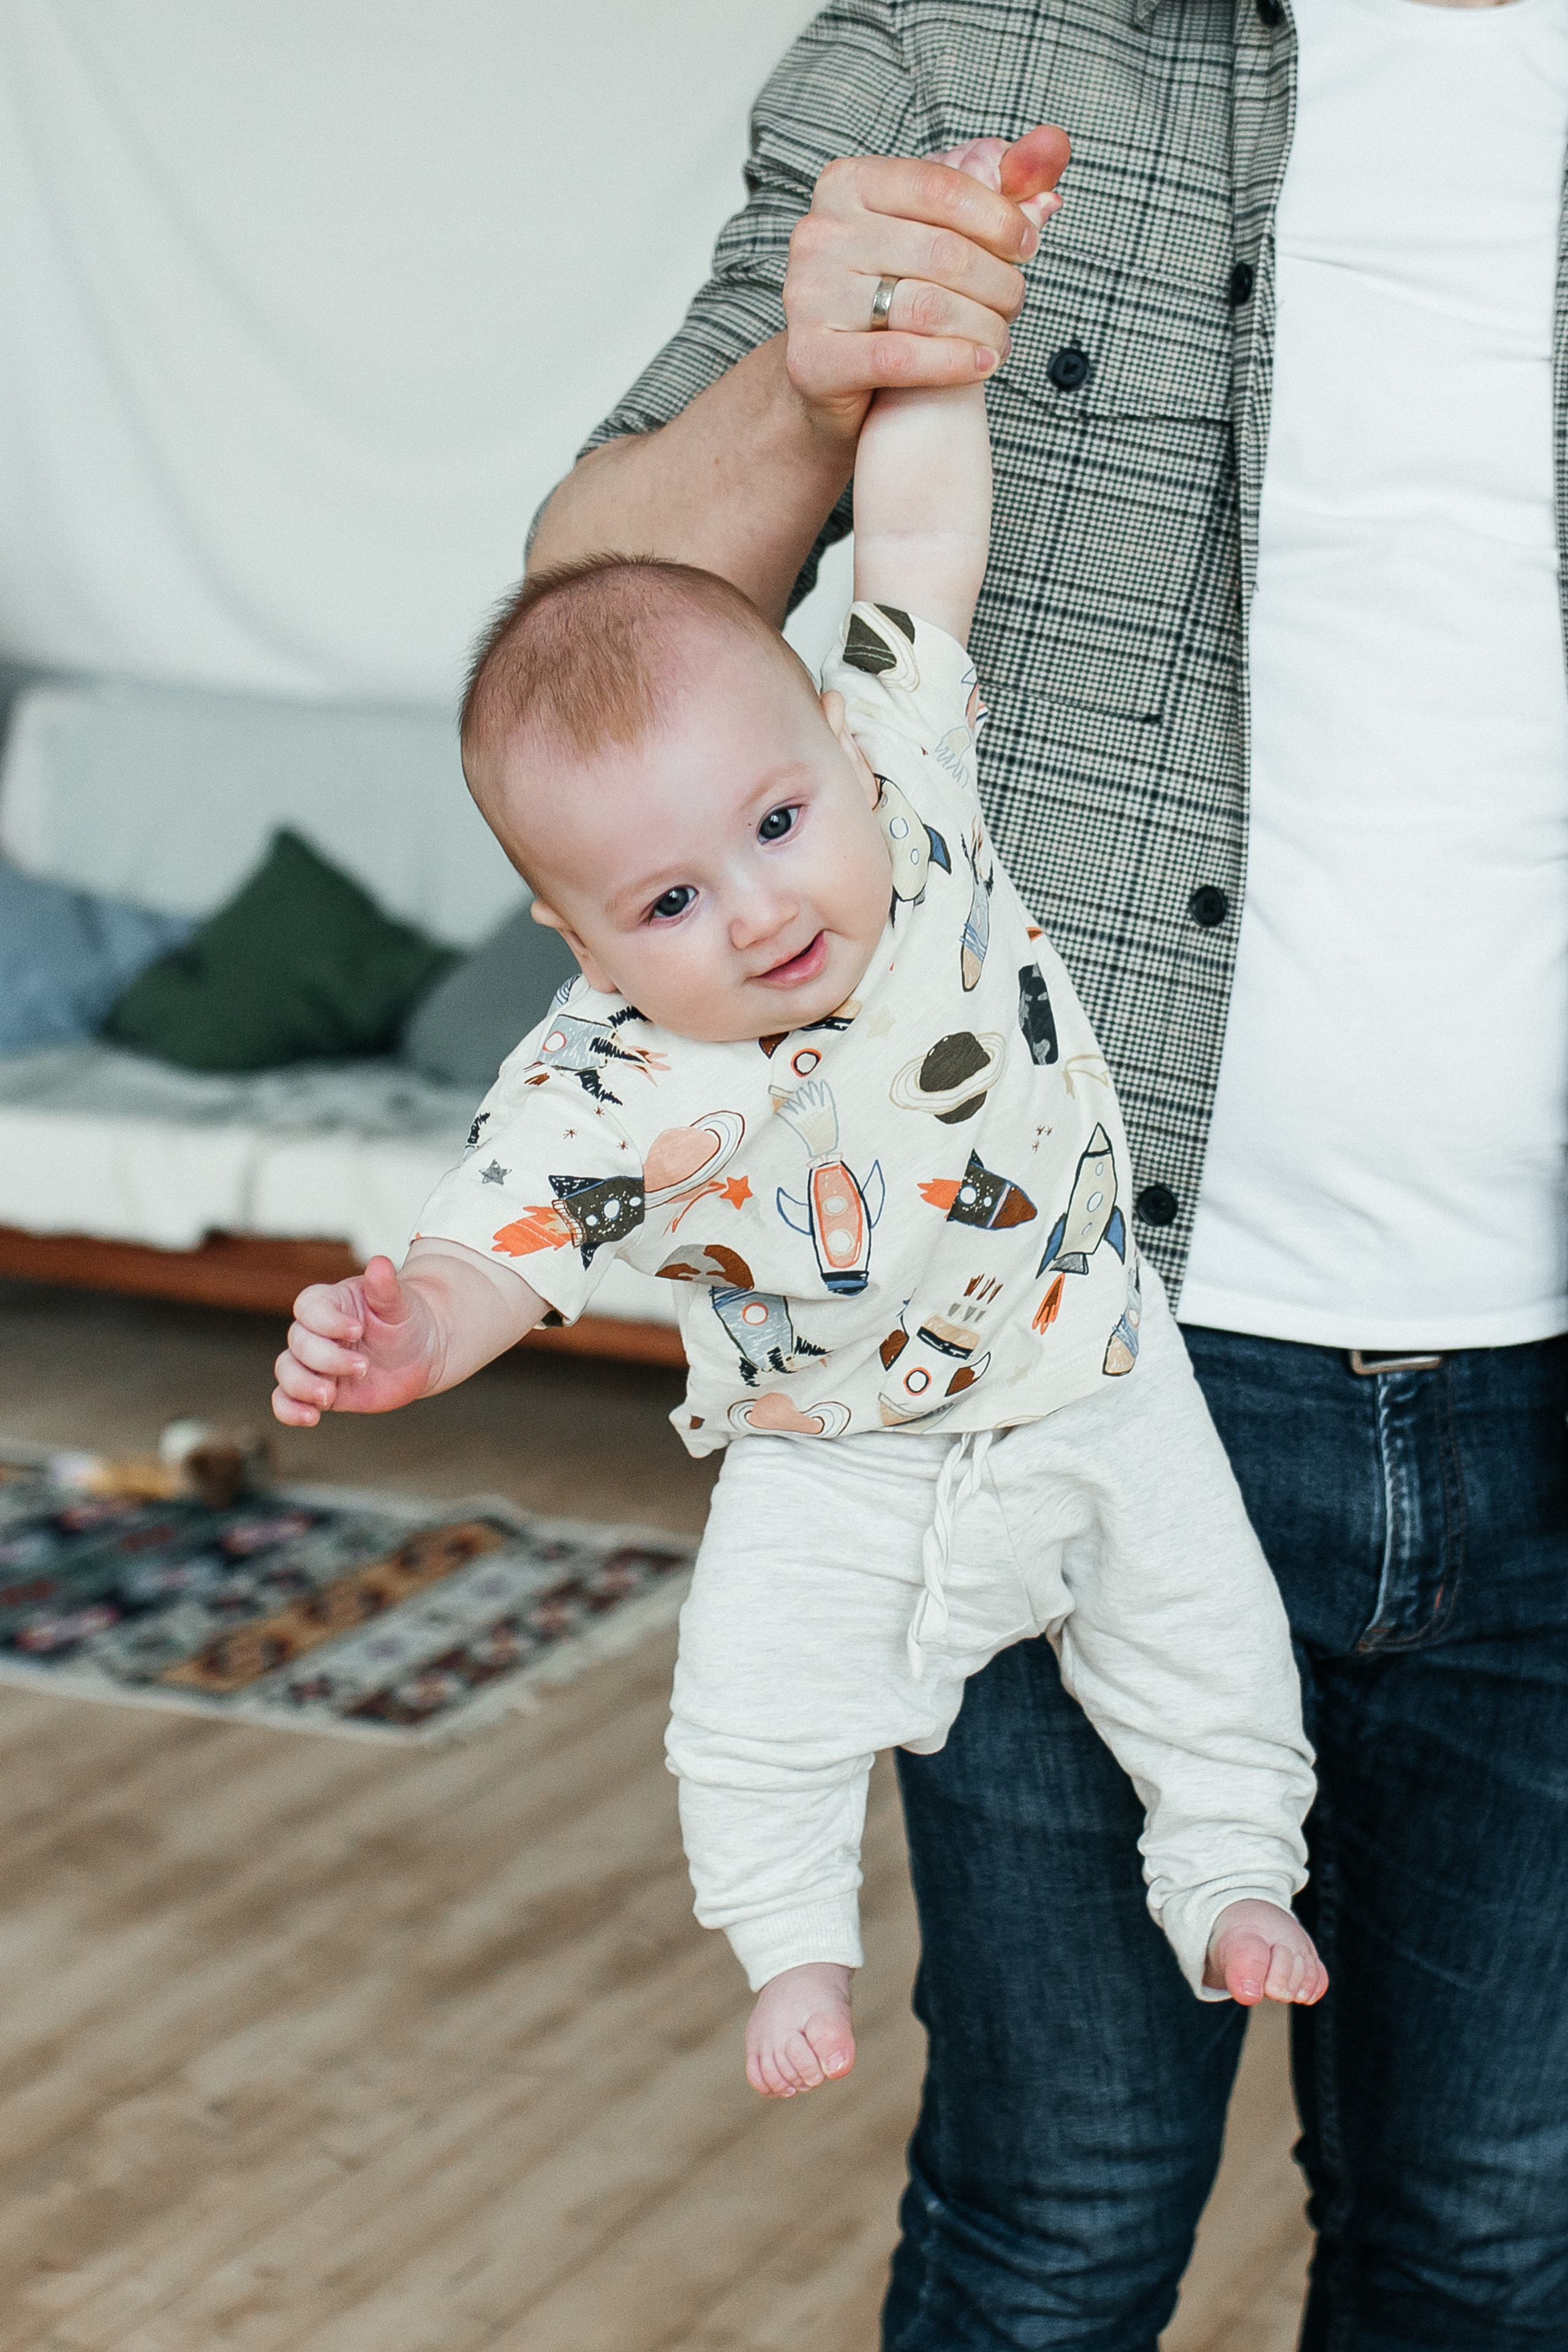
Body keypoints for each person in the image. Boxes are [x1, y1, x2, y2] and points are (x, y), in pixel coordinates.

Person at [527, 8, 1568, 2351]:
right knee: (1058, 2217)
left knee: (1502, 2242)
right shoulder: (973, 31)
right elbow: (582, 619)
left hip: (1548, 1392)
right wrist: (809, 380)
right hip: (1060, 1369)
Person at [271, 152, 1326, 2101]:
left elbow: (919, 542)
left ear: (829, 747)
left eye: (770, 826)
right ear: (573, 937)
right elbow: (491, 1243)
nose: (754, 909)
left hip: (1087, 1349)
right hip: (835, 1434)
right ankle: (788, 1950)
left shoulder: (899, 763)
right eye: (663, 903)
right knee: (748, 1701)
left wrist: (937, 339)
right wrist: (407, 1330)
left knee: (1209, 1634)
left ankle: (1234, 1875)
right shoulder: (612, 1075)